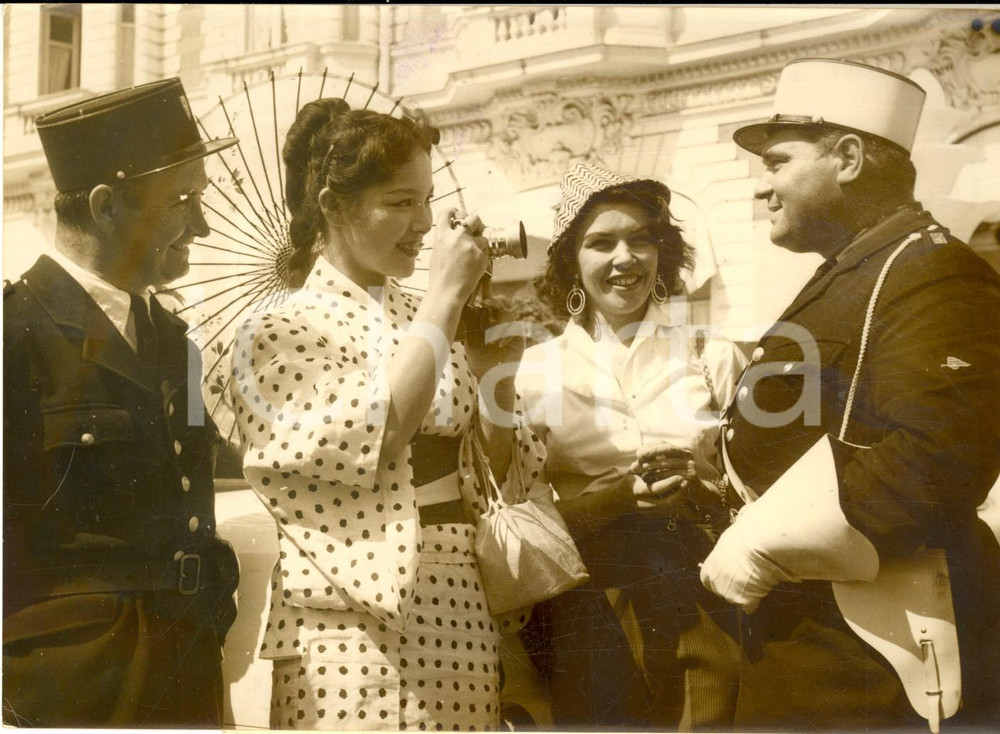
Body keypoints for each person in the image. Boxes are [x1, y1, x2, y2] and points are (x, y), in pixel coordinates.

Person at [700, 58, 1000, 729]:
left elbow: (939, 456)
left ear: (850, 158)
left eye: (777, 163)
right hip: (816, 634)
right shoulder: (861, 271)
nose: (762, 188)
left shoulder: (933, 273)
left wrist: (760, 547)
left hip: (871, 653)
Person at [229, 98, 548, 730]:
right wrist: (447, 296)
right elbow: (377, 434)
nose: (424, 224)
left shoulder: (426, 313)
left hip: (461, 594)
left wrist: (495, 385)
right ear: (333, 205)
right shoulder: (280, 327)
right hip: (351, 618)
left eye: (428, 201)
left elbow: (500, 471)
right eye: (401, 203)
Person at [2, 78, 241, 727]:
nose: (204, 224)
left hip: (187, 674)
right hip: (71, 696)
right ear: (106, 206)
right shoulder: (14, 336)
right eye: (183, 201)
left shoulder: (171, 341)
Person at [515, 162, 747, 728]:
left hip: (705, 589)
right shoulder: (537, 370)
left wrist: (702, 478)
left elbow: (755, 484)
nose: (625, 259)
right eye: (601, 243)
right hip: (591, 604)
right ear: (572, 261)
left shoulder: (709, 353)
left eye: (641, 239)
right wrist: (619, 498)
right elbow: (526, 516)